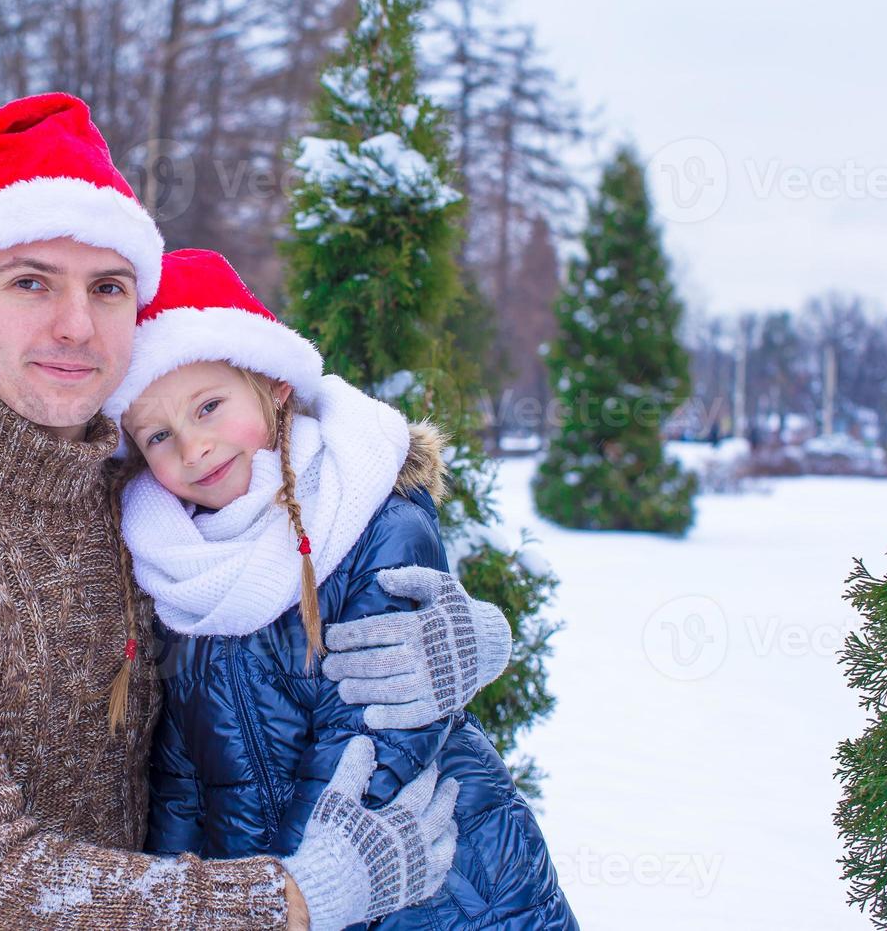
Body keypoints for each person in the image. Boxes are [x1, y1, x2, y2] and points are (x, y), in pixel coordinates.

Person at [0, 94, 513, 928]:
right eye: (30, 283)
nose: (76, 326)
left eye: (109, 287)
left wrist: (465, 644)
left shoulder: (153, 493)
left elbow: (279, 616)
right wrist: (294, 901)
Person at [107, 248, 578, 928]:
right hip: (291, 897)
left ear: (273, 384)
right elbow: (180, 778)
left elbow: (375, 731)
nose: (194, 447)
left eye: (209, 406)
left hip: (433, 880)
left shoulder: (369, 517)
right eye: (158, 435)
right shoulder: (175, 569)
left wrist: (301, 888)